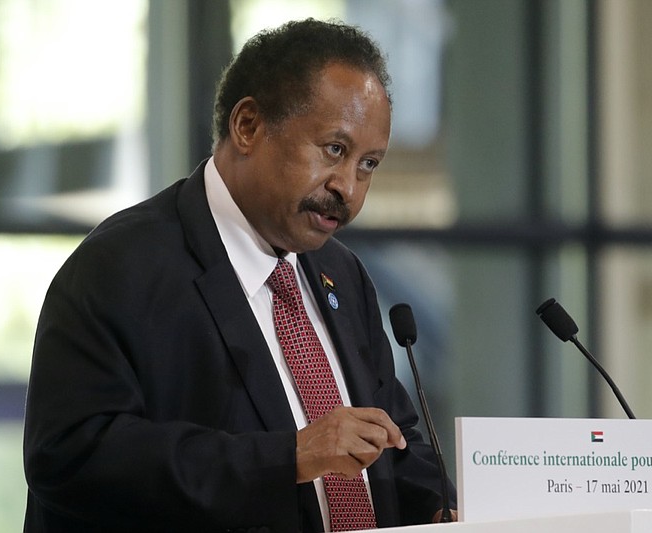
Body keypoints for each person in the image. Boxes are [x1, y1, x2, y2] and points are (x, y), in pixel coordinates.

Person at [23, 18, 456, 532]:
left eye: (368, 165)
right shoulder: (120, 267)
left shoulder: (342, 272)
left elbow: (391, 435)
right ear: (248, 126)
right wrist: (287, 457)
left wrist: (438, 504)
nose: (349, 188)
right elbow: (72, 456)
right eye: (334, 150)